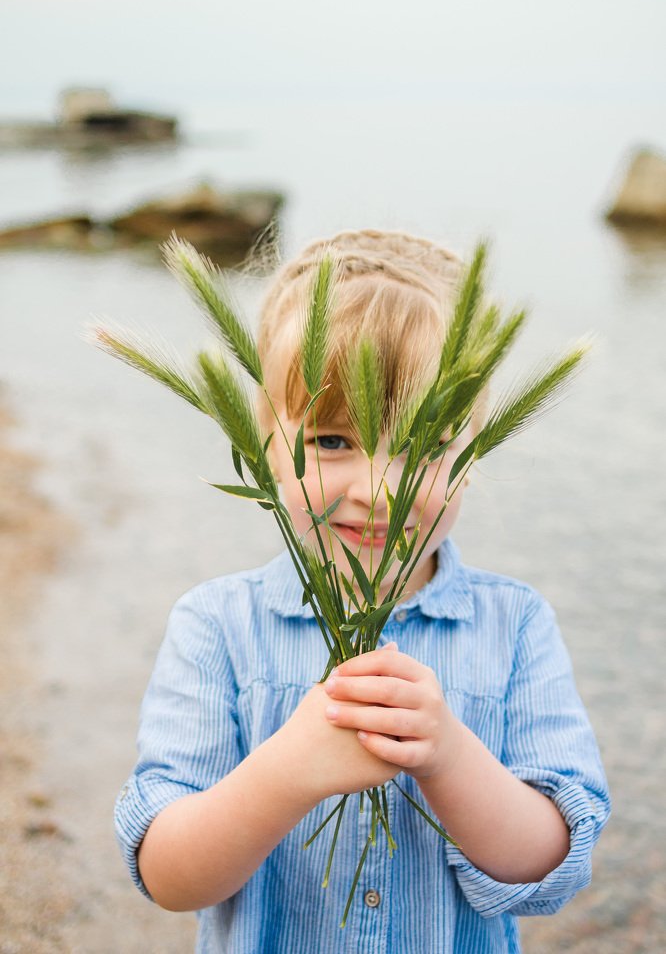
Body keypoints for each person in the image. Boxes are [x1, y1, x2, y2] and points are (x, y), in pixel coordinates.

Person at [114, 229, 610, 954]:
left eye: (423, 446)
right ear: (265, 445)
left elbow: (550, 872)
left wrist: (449, 757)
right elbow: (170, 878)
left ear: (472, 450)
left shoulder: (516, 624)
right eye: (332, 442)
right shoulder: (216, 624)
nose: (378, 490)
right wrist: (286, 772)